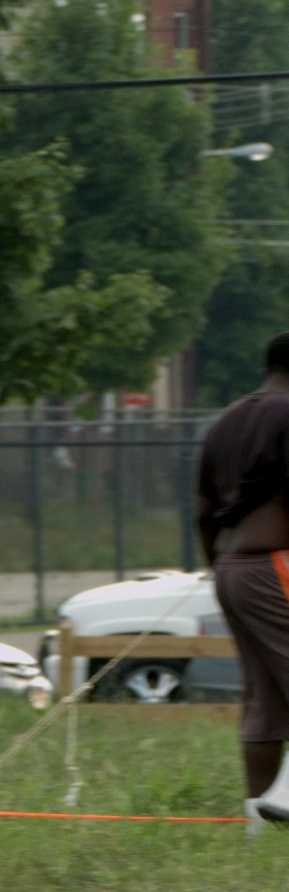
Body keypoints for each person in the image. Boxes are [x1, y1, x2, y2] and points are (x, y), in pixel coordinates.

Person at [195, 331, 289, 836]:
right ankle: (285, 797)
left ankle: (259, 825)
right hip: (275, 562)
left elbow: (202, 510)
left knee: (266, 699)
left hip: (231, 568)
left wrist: (219, 568)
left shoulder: (225, 421)